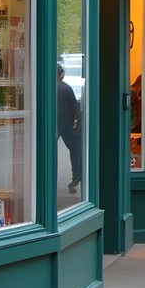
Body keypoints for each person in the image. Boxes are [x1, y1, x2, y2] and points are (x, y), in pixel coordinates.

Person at [57, 64, 82, 194]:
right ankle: (76, 175)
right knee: (74, 148)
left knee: (48, 151)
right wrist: (77, 123)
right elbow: (75, 107)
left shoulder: (48, 87)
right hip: (66, 124)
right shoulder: (66, 88)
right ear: (61, 74)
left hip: (53, 124)